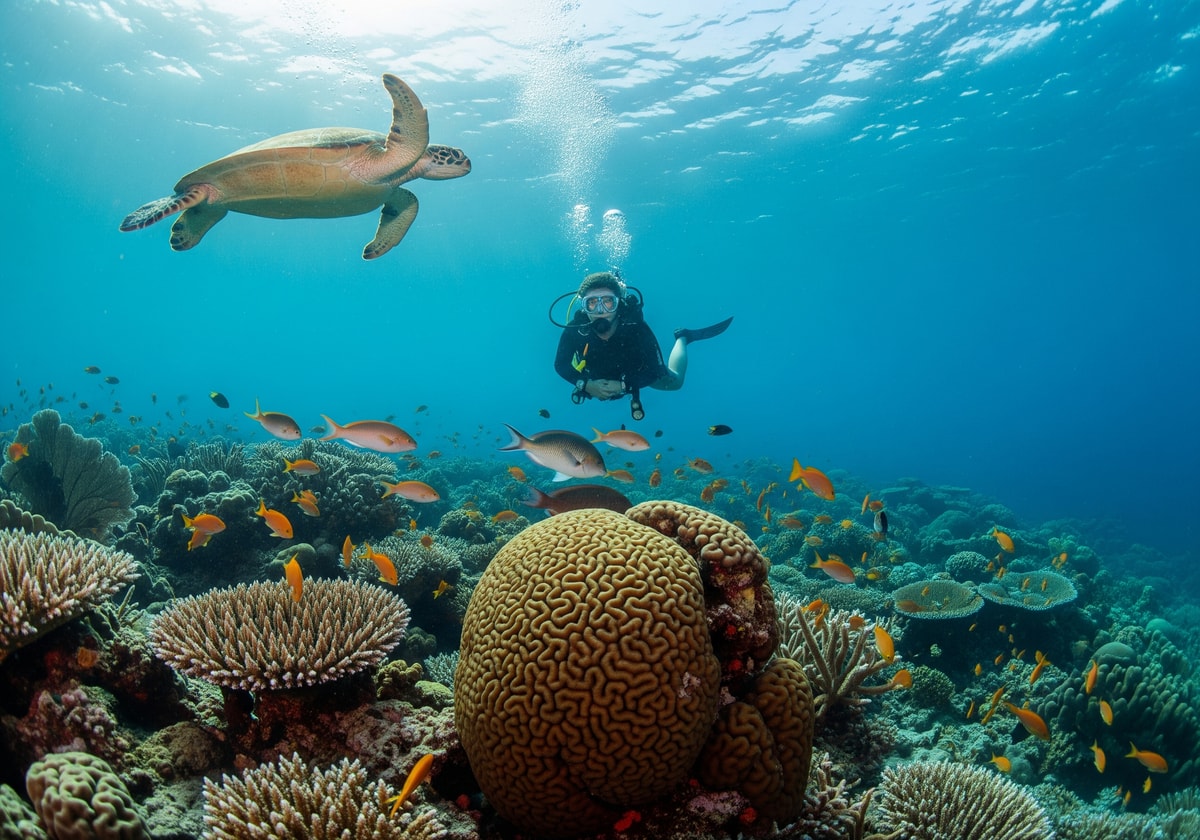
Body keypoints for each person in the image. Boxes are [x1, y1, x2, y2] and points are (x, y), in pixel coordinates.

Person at [554, 271, 732, 421]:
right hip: (592, 379)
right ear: (584, 307)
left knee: (676, 382)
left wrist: (624, 386)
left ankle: (683, 337)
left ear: (619, 303)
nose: (600, 310)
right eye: (592, 303)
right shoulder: (575, 330)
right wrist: (585, 385)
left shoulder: (635, 327)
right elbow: (560, 365)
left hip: (636, 374)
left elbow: (655, 369)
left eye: (608, 301)